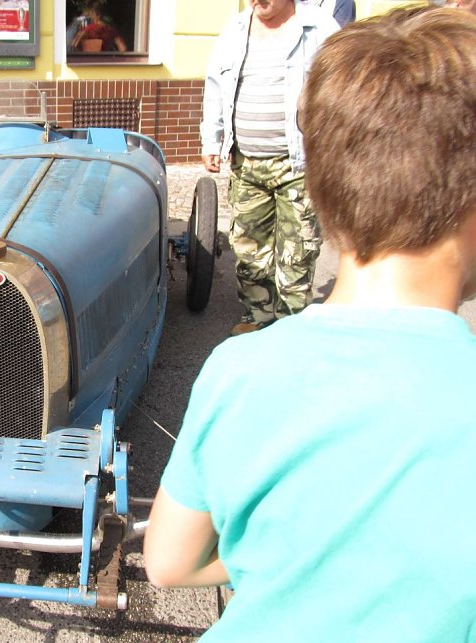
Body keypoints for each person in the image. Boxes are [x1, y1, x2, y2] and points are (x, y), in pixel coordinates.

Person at [145, 6, 476, 640]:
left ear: (322, 188)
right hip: (252, 162)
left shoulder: (236, 373)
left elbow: (166, 561)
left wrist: (274, 565)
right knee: (255, 262)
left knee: (283, 276)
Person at [200, 1, 338, 336]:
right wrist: (211, 139)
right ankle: (258, 318)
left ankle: (290, 329)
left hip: (299, 165)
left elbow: (341, 88)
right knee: (249, 252)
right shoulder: (234, 31)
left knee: (297, 254)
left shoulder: (319, 28)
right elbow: (215, 86)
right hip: (246, 164)